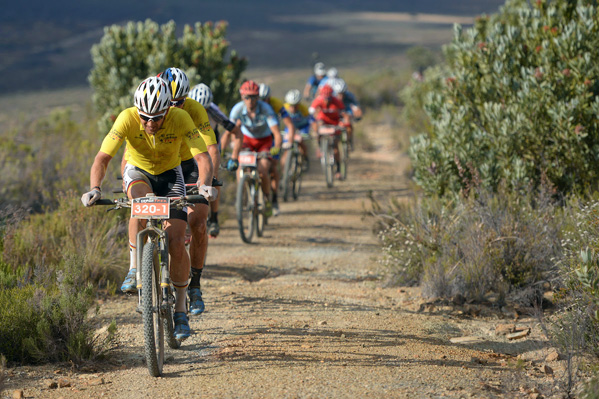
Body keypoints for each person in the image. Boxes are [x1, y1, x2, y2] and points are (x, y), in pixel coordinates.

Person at [81, 76, 216, 339]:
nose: (149, 123)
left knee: (177, 241)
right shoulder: (127, 118)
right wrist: (95, 188)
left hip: (170, 174)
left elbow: (202, 157)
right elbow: (103, 157)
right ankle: (134, 268)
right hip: (138, 171)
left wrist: (205, 184)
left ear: (168, 110)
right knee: (140, 204)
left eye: (156, 118)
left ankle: (179, 310)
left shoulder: (181, 118)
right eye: (145, 117)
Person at [157, 68, 220, 316]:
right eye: (169, 102)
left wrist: (210, 181)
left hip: (190, 164)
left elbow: (211, 148)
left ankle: (194, 284)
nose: (174, 106)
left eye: (179, 102)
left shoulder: (195, 110)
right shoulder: (153, 112)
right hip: (164, 166)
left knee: (198, 222)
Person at [188, 83, 244, 238]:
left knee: (213, 178)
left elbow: (236, 131)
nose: (200, 112)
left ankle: (214, 217)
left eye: (204, 110)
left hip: (210, 145)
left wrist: (233, 155)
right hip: (191, 143)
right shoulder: (184, 108)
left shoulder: (214, 112)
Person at [229, 80, 282, 216]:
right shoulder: (237, 109)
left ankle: (267, 198)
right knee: (240, 164)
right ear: (242, 97)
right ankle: (242, 196)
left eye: (253, 97)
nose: (250, 101)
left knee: (263, 170)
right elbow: (230, 132)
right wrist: (223, 149)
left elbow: (276, 132)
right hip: (247, 140)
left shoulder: (266, 109)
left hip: (264, 141)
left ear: (258, 97)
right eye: (247, 97)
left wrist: (276, 147)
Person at [258, 83, 295, 216]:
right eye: (260, 99)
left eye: (265, 99)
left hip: (273, 137)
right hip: (258, 137)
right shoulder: (252, 105)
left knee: (273, 167)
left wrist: (289, 141)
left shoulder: (277, 104)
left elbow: (289, 124)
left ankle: (274, 200)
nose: (262, 102)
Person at [309, 84, 350, 180]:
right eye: (325, 98)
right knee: (317, 128)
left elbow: (344, 114)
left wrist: (344, 124)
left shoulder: (336, 101)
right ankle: (319, 147)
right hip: (323, 121)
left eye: (328, 98)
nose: (326, 101)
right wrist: (313, 123)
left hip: (334, 123)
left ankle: (338, 169)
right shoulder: (318, 100)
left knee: (335, 146)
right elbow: (311, 111)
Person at [329, 77, 362, 150]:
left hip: (346, 111)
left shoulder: (349, 96)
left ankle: (349, 140)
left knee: (348, 122)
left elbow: (356, 106)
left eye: (342, 94)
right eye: (339, 94)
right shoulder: (331, 97)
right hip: (336, 112)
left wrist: (358, 114)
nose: (341, 96)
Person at [282, 89, 312, 162]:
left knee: (300, 141)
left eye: (295, 106)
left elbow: (311, 120)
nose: (293, 108)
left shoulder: (303, 109)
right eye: (291, 106)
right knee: (287, 145)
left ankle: (305, 156)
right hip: (289, 127)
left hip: (302, 127)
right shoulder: (283, 108)